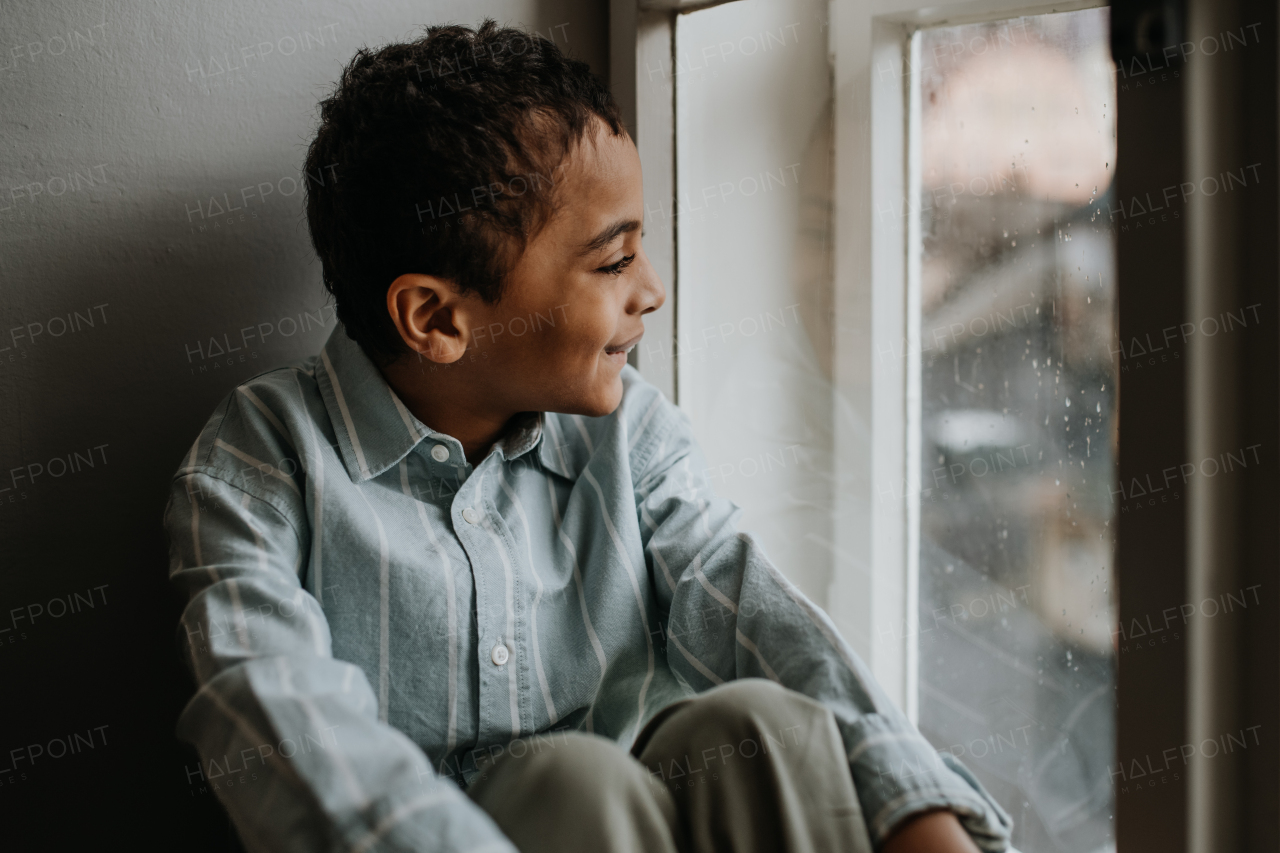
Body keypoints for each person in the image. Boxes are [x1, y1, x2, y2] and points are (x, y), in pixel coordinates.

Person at [165, 20, 1012, 853]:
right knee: (574, 783)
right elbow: (273, 712)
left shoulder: (633, 435)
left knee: (763, 724)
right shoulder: (261, 459)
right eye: (613, 262)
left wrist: (912, 806)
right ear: (437, 317)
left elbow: (747, 602)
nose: (653, 291)